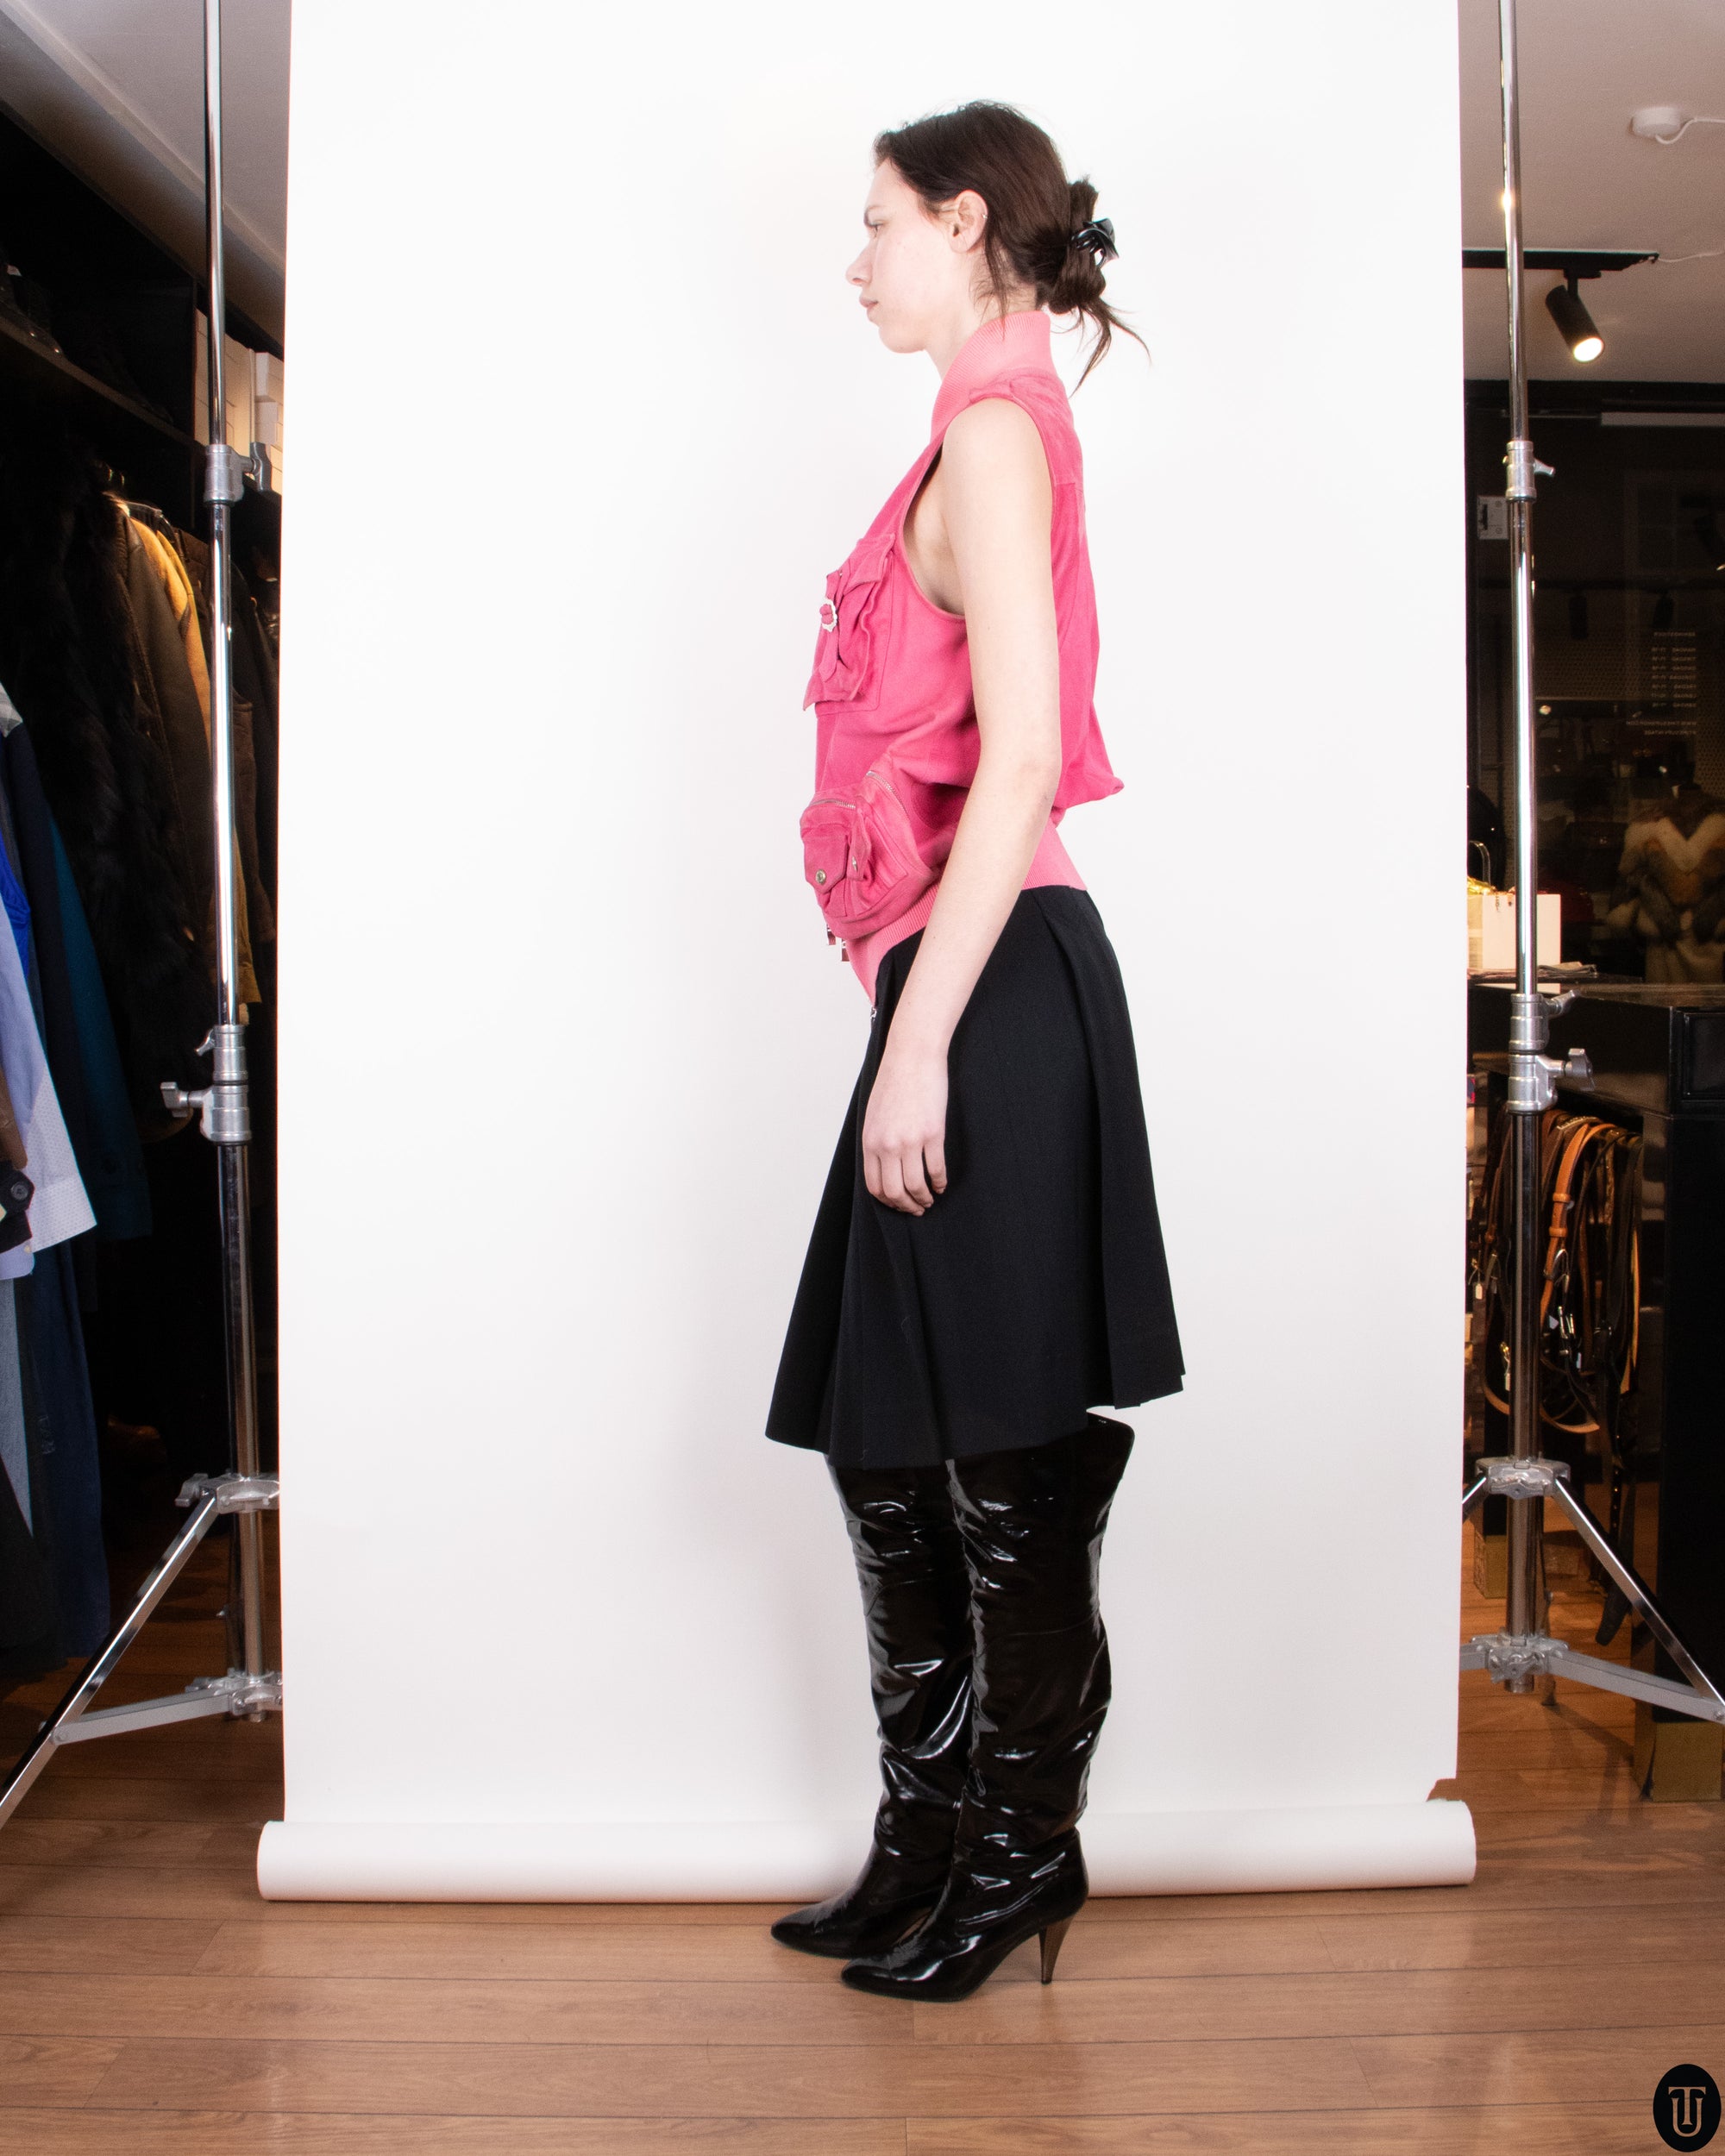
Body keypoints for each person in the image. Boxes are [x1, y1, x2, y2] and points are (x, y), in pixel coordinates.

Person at [764, 102, 1183, 2003]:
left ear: (959, 219)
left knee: (998, 1448)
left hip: (989, 983)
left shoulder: (998, 436)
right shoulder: (971, 431)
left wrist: (920, 1040)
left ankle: (1019, 1854)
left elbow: (1017, 762)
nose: (857, 261)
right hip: (955, 981)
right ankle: (933, 1835)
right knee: (886, 1437)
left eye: (877, 223)